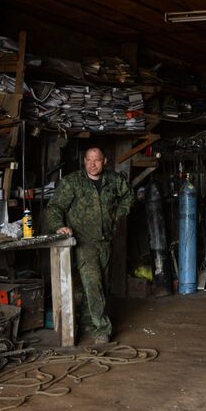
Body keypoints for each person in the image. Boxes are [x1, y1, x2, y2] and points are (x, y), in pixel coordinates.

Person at [45, 146, 133, 344]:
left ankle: (86, 322)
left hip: (106, 242)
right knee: (93, 282)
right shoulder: (72, 182)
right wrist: (60, 226)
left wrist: (117, 214)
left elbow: (128, 196)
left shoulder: (114, 180)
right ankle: (102, 328)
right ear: (84, 161)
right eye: (89, 160)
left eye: (97, 160)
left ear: (105, 161)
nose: (92, 164)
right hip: (83, 242)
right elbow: (55, 207)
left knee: (97, 284)